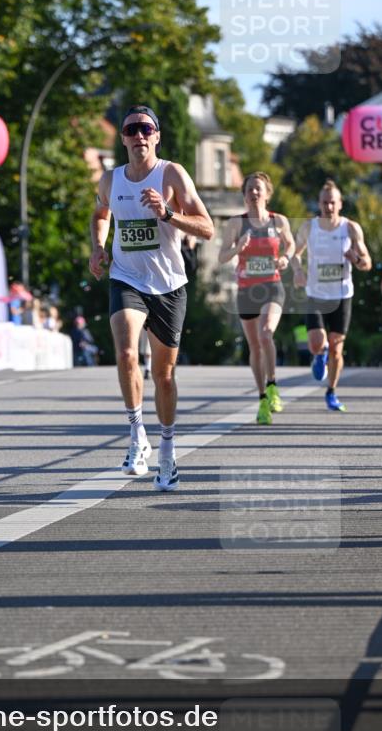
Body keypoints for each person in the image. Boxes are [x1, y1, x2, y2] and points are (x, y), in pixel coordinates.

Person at [89, 104, 214, 491]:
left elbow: (207, 228)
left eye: (146, 129)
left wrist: (168, 215)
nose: (139, 135)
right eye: (131, 130)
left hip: (169, 284)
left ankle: (167, 450)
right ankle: (136, 435)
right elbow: (100, 213)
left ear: (157, 136)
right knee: (126, 352)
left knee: (164, 376)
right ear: (123, 137)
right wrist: (97, 246)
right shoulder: (111, 180)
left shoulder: (171, 174)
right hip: (126, 278)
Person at [218, 172, 295, 425]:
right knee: (254, 346)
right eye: (249, 189)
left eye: (258, 189)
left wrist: (285, 257)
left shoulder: (279, 221)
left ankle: (272, 385)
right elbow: (222, 257)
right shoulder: (236, 224)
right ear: (244, 194)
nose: (253, 193)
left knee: (265, 334)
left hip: (271, 287)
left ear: (267, 193)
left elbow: (291, 245)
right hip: (246, 291)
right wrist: (238, 247)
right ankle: (262, 398)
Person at [292, 180, 372, 411]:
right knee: (317, 343)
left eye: (332, 203)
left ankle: (331, 391)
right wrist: (298, 271)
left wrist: (355, 258)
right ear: (319, 203)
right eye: (324, 203)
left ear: (340, 204)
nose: (328, 207)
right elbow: (294, 253)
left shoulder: (351, 228)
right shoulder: (309, 227)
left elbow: (367, 263)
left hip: (341, 294)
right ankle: (320, 354)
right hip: (316, 293)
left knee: (337, 348)